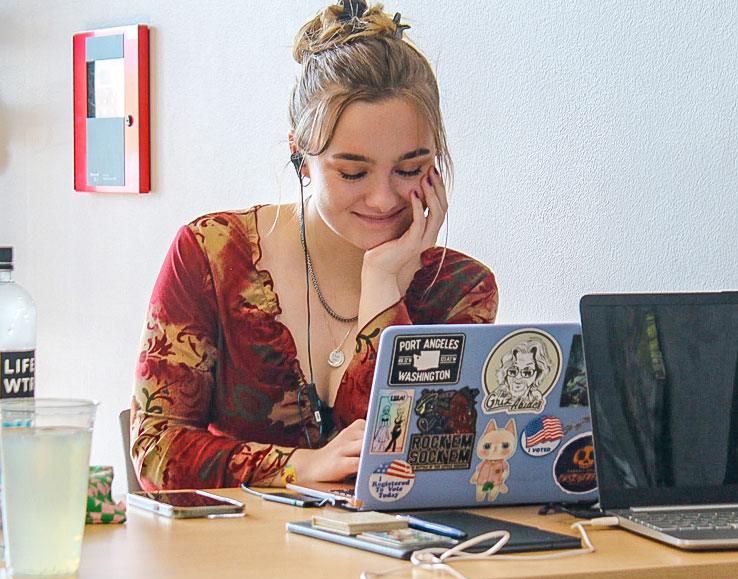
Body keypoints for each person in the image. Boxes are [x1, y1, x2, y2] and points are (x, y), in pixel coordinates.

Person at [130, 1, 498, 490]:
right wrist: (299, 466)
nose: (383, 197)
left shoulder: (460, 290)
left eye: (410, 169)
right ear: (300, 158)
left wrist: (383, 285)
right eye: (352, 172)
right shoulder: (211, 255)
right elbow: (157, 450)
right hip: (235, 562)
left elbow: (402, 466)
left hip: (393, 564)